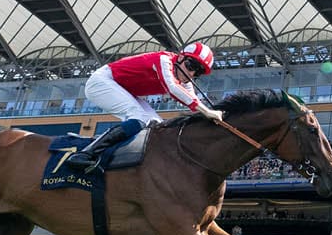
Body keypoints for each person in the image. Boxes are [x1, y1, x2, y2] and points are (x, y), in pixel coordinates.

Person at [65, 42, 223, 171]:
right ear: (181, 57)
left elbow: (192, 99)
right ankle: (86, 154)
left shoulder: (184, 80)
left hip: (124, 89)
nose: (191, 74)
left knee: (158, 126)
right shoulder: (164, 60)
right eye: (191, 65)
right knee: (139, 117)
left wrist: (212, 116)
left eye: (198, 72)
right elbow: (173, 89)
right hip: (102, 81)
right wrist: (207, 112)